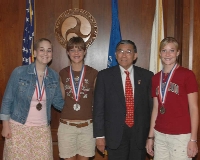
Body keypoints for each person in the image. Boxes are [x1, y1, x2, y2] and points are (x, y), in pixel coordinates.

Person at [0, 38, 64, 159]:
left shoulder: (54, 76)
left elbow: (58, 102)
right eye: (42, 50)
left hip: (42, 130)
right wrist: (5, 125)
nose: (45, 53)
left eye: (49, 50)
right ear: (34, 53)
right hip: (18, 128)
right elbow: (7, 99)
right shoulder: (19, 72)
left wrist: (78, 105)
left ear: (52, 54)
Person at [93, 40, 154, 160]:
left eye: (128, 51)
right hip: (114, 135)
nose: (124, 55)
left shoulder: (147, 76)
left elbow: (152, 108)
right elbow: (98, 108)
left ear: (135, 55)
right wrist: (99, 136)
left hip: (140, 135)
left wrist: (151, 136)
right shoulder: (104, 76)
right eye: (120, 51)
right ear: (115, 55)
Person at [146, 37, 199, 160]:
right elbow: (155, 108)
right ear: (159, 53)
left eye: (172, 50)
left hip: (181, 136)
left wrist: (193, 139)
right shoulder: (155, 78)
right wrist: (150, 137)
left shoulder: (187, 75)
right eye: (164, 50)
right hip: (160, 134)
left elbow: (194, 108)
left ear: (178, 53)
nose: (167, 54)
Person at [58, 36, 98, 160]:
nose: (76, 53)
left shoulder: (94, 73)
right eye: (72, 50)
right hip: (66, 127)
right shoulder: (62, 73)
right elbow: (61, 99)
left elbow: (97, 101)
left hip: (87, 127)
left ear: (85, 52)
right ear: (67, 52)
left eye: (79, 49)